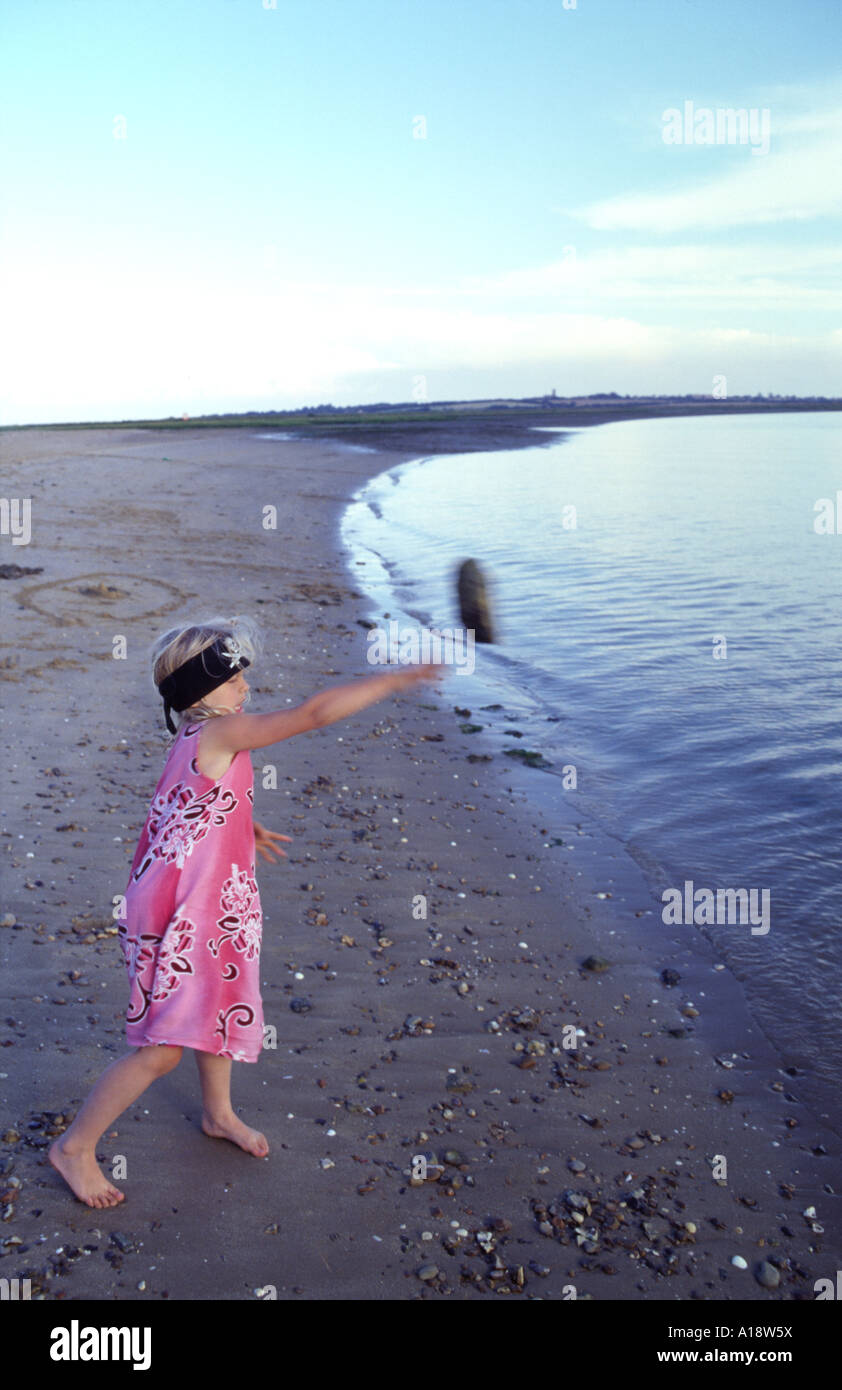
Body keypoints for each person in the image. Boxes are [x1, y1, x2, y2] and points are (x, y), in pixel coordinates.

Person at [49, 614, 443, 1207]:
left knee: (219, 1006)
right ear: (200, 693)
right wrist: (393, 681)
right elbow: (311, 715)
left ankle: (218, 1113)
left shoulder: (195, 740)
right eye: (235, 681)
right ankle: (74, 1147)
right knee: (162, 1048)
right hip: (182, 909)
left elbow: (182, 802)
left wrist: (241, 822)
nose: (245, 690)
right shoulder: (219, 734)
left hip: (205, 898)